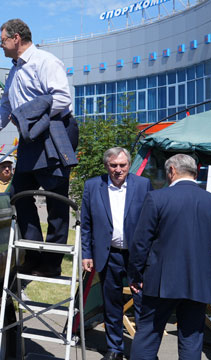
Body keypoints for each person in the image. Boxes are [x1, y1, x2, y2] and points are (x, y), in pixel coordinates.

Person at [0, 18, 78, 277]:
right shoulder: (14, 71)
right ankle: (33, 254)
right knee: (19, 193)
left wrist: (32, 119)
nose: (0, 46)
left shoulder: (46, 61)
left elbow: (63, 99)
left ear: (16, 38)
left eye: (2, 41)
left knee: (56, 197)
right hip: (30, 137)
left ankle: (52, 264)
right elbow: (6, 108)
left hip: (55, 132)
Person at [128, 154, 211, 360]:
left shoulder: (157, 198)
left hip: (160, 281)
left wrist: (135, 275)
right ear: (195, 172)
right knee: (192, 338)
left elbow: (141, 243)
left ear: (172, 171)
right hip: (200, 281)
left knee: (148, 334)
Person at [80, 147, 152, 360]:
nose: (118, 170)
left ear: (129, 165)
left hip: (136, 257)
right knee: (111, 304)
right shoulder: (93, 186)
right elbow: (86, 224)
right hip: (108, 255)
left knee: (141, 303)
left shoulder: (143, 185)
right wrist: (86, 254)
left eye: (122, 165)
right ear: (106, 166)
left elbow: (150, 221)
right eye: (113, 165)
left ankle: (143, 351)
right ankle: (115, 349)